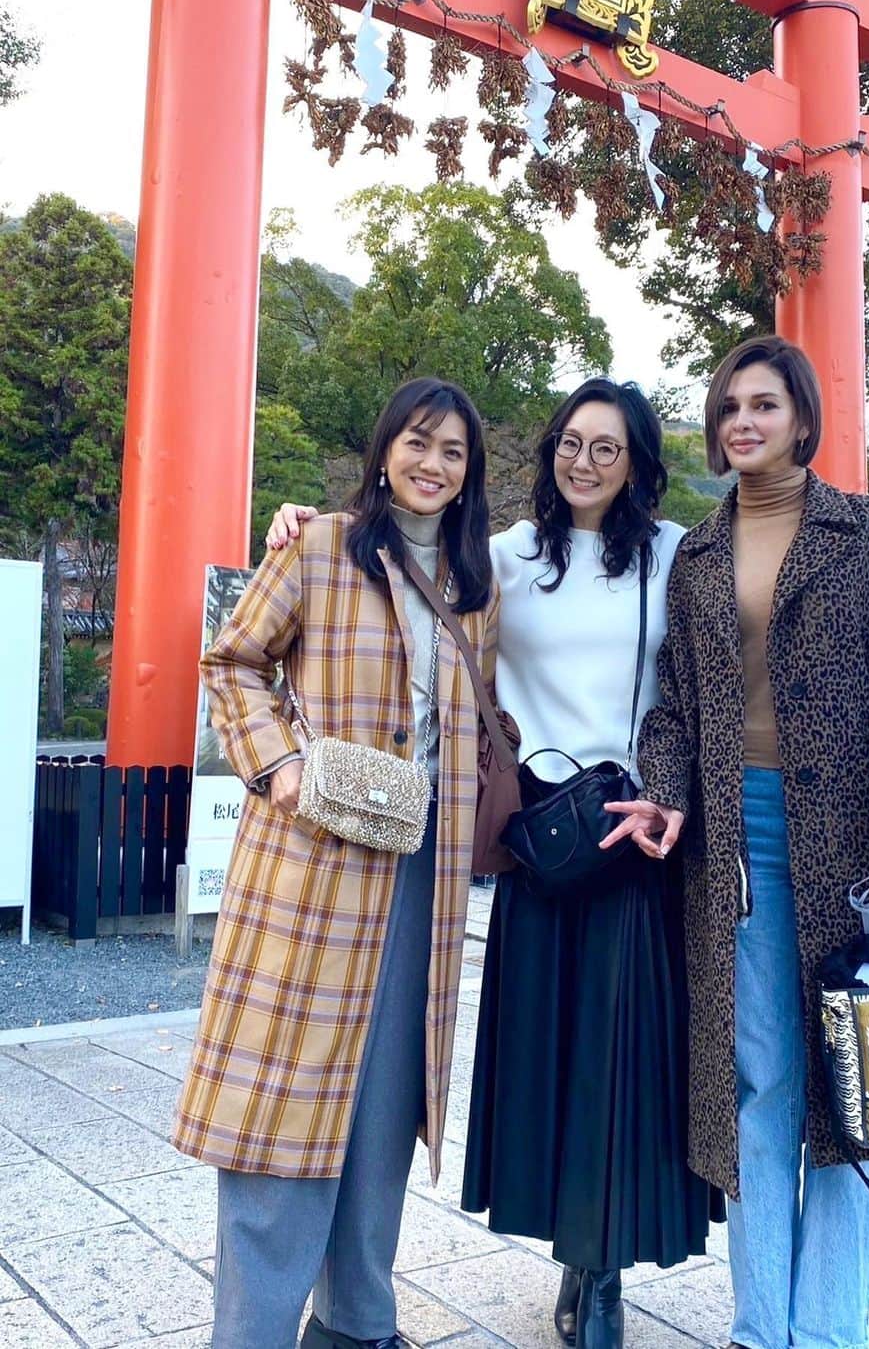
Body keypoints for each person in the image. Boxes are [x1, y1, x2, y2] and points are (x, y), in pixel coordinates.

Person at [267, 378, 721, 1349]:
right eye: (571, 442)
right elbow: (403, 553)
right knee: (545, 1060)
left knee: (618, 1067)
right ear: (550, 451)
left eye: (608, 448)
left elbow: (710, 668)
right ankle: (567, 1246)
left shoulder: (678, 553)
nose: (584, 462)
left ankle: (600, 1273)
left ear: (638, 464)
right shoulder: (505, 553)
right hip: (534, 837)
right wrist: (307, 519)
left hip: (629, 830)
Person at [604, 336, 869, 1349]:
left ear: (802, 418)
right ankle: (763, 1328)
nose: (743, 422)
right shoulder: (697, 554)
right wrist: (667, 794)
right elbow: (674, 706)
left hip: (859, 847)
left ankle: (830, 1330)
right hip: (737, 844)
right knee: (759, 1087)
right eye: (729, 407)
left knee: (864, 1089)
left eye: (763, 404)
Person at [173, 377, 499, 1349]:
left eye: (453, 451)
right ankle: (252, 1334)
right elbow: (234, 660)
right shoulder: (319, 546)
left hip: (423, 872)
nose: (433, 464)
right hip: (312, 863)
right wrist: (277, 765)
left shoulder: (475, 585)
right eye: (418, 442)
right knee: (282, 1100)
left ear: (471, 470)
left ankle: (357, 1323)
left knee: (384, 1104)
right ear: (385, 449)